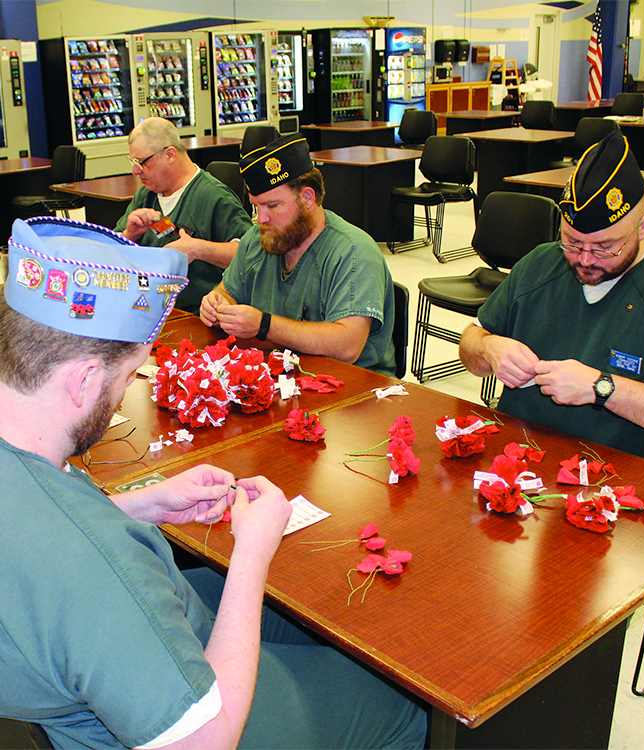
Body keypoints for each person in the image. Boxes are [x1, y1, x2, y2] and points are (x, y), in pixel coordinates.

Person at [0, 216, 426, 750]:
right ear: (84, 379)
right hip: (185, 718)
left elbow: (52, 516)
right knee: (400, 701)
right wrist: (252, 551)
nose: (123, 393)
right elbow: (205, 740)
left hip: (102, 653)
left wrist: (145, 504)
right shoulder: (96, 566)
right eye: (128, 376)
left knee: (334, 627)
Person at [459, 130, 644, 472]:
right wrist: (489, 348)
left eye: (605, 246)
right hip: (523, 461)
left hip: (625, 476)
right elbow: (471, 343)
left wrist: (601, 387)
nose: (585, 259)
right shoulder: (540, 264)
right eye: (572, 242)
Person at [199, 133, 396, 376]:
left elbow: (347, 346)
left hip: (353, 385)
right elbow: (227, 291)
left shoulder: (354, 252)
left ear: (307, 198)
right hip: (282, 375)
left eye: (272, 206)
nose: (261, 219)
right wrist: (217, 303)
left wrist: (264, 325)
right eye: (255, 206)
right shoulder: (259, 237)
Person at [114, 117, 253, 316]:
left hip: (194, 317)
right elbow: (112, 251)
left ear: (170, 154)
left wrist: (198, 249)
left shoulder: (214, 197)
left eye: (142, 162)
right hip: (147, 308)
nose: (135, 171)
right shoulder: (147, 195)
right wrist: (129, 234)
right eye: (133, 162)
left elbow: (251, 256)